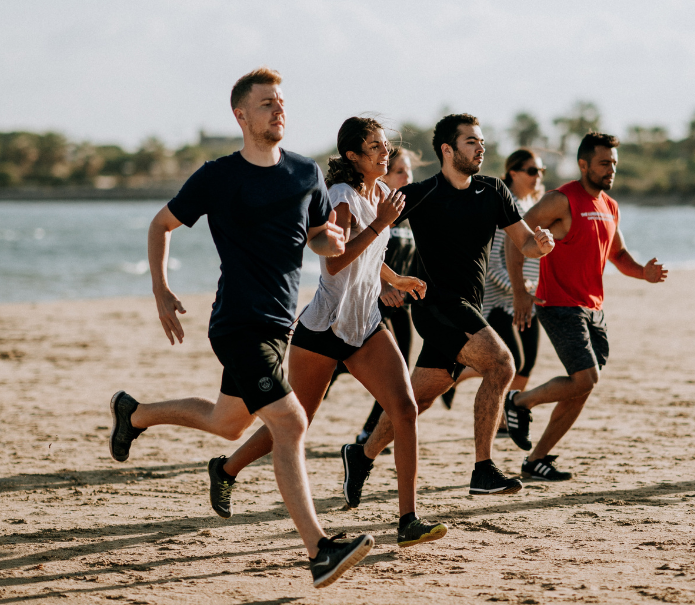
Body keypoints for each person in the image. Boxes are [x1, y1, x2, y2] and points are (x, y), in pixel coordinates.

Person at [106, 67, 373, 589]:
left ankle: (133, 413)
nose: (279, 110)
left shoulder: (305, 173)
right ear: (241, 115)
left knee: (227, 424)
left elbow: (319, 235)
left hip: (279, 325)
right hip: (236, 324)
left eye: (281, 102)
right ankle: (319, 550)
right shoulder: (218, 176)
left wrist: (332, 243)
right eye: (267, 103)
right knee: (291, 424)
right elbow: (160, 224)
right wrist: (160, 288)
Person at [207, 117, 448, 549]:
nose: (384, 152)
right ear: (353, 156)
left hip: (365, 325)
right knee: (297, 421)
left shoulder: (380, 195)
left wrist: (395, 280)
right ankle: (226, 469)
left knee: (405, 409)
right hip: (323, 328)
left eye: (384, 145)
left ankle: (408, 519)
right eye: (374, 147)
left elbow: (368, 257)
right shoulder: (340, 198)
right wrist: (381, 224)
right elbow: (335, 262)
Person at [341, 114, 555, 504]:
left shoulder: (493, 191)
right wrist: (387, 282)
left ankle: (361, 454)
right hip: (436, 304)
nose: (481, 147)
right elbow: (368, 238)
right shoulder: (422, 193)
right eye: (471, 141)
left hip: (467, 306)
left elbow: (524, 243)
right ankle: (483, 469)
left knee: (416, 401)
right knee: (502, 364)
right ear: (447, 149)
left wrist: (541, 244)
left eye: (481, 141)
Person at [502, 132, 668, 481]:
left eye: (614, 164)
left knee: (583, 385)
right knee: (585, 377)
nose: (611, 170)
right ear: (583, 164)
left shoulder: (610, 206)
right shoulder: (560, 200)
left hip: (594, 308)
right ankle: (519, 402)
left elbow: (618, 255)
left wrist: (644, 273)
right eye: (604, 163)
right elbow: (514, 238)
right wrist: (519, 291)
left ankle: (536, 460)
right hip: (558, 304)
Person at [441, 150, 548, 434]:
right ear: (513, 172)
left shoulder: (534, 204)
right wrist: (517, 288)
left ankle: (502, 414)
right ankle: (459, 381)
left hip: (529, 298)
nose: (539, 177)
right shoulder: (506, 205)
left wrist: (532, 289)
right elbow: (491, 263)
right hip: (501, 300)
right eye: (533, 171)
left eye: (541, 172)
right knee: (513, 360)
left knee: (528, 364)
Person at [354, 147, 422, 445]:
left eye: (409, 171)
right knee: (377, 371)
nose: (408, 177)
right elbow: (361, 254)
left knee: (400, 372)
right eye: (400, 172)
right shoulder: (379, 212)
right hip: (374, 303)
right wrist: (383, 287)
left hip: (401, 306)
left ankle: (371, 429)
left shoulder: (409, 213)